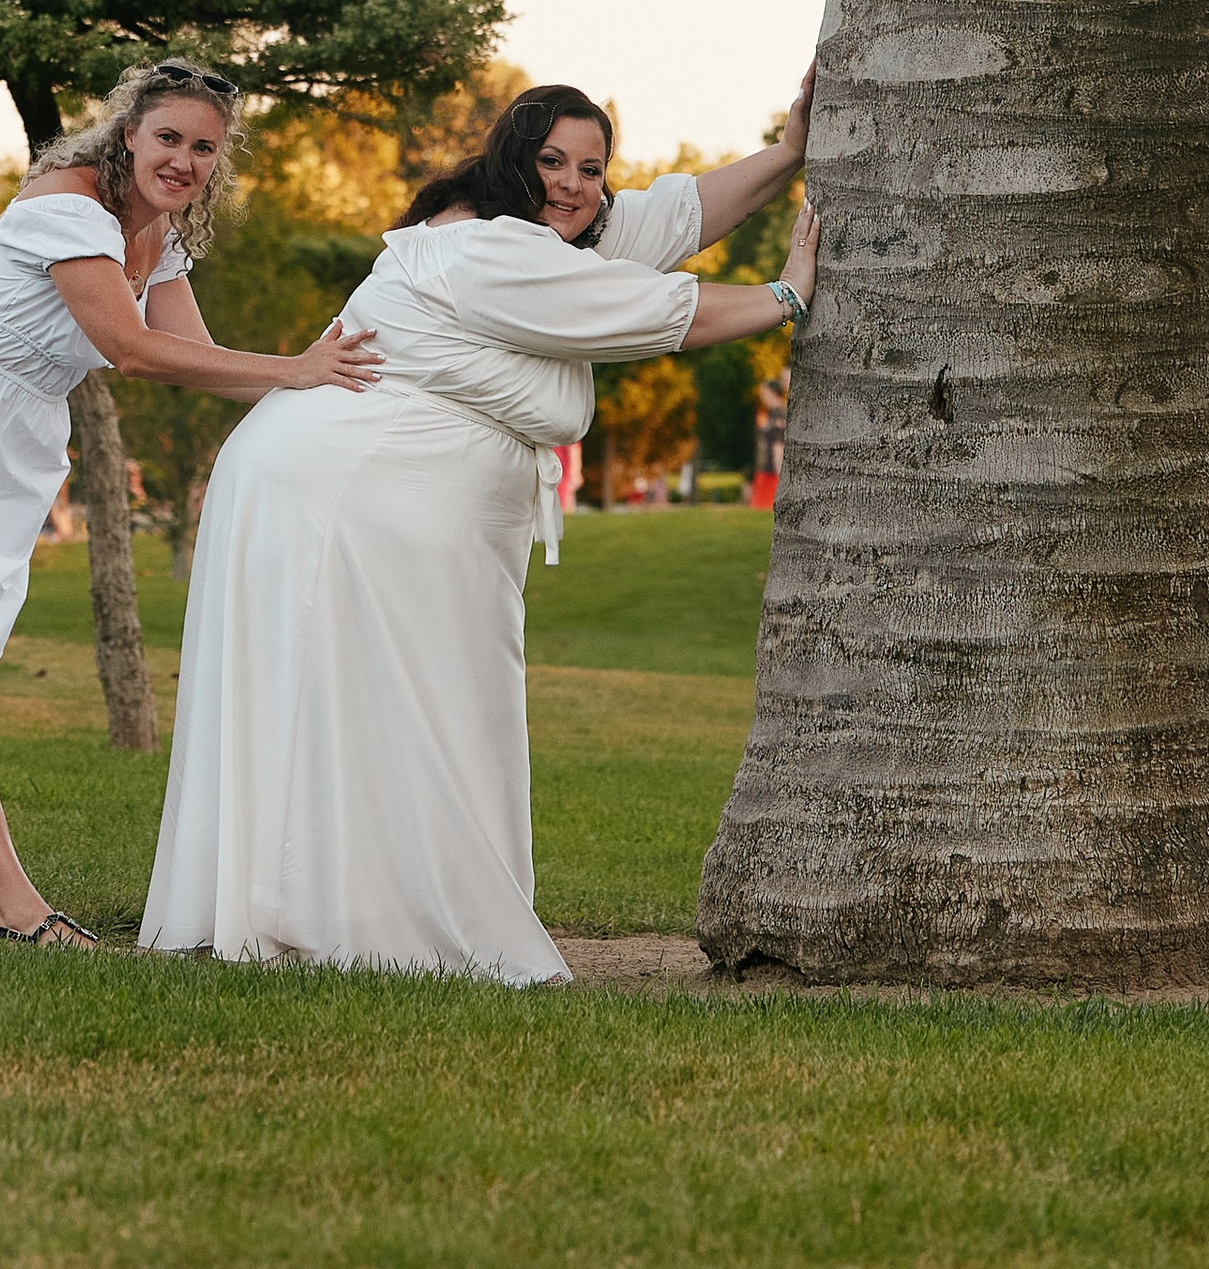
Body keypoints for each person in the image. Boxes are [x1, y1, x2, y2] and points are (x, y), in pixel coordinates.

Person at [140, 70, 819, 986]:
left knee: (432, 707)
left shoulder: (535, 233)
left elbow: (675, 216)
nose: (575, 184)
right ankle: (347, 920)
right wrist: (788, 295)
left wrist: (788, 151)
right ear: (511, 158)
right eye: (552, 161)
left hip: (366, 498)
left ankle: (336, 910)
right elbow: (657, 309)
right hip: (344, 498)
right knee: (392, 706)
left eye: (591, 166)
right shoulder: (493, 250)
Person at [0, 57, 382, 951]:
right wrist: (293, 370)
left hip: (4, 433)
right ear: (128, 133)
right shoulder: (69, 202)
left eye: (204, 148)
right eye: (169, 138)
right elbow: (134, 350)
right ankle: (15, 907)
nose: (184, 160)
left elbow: (198, 354)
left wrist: (310, 377)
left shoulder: (161, 236)